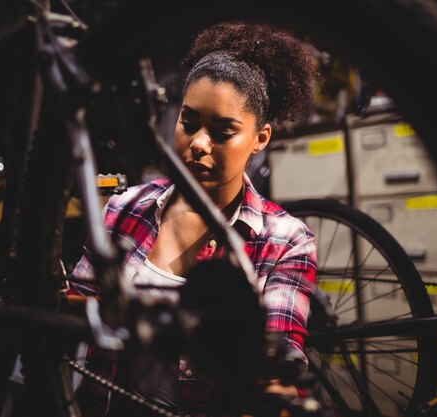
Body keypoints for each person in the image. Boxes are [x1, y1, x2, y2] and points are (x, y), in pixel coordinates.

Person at [68, 20, 320, 417]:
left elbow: (279, 361)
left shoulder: (286, 240)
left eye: (223, 132)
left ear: (261, 138)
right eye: (189, 122)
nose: (199, 143)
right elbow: (71, 316)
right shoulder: (124, 208)